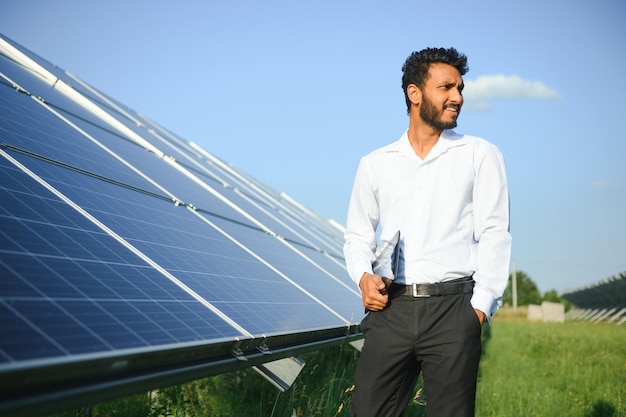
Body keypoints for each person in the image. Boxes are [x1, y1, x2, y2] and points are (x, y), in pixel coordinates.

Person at [343, 47, 512, 417]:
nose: (458, 98)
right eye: (446, 87)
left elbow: (495, 233)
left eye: (460, 88)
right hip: (392, 310)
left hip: (454, 310)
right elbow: (357, 235)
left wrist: (478, 310)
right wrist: (362, 276)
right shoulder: (375, 164)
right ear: (414, 93)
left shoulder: (480, 155)